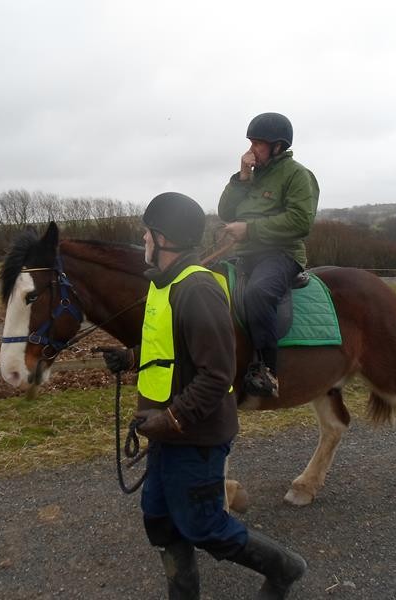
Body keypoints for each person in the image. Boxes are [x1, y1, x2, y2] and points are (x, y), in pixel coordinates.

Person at [100, 192, 307, 599]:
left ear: (163, 239)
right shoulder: (166, 285)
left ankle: (286, 569)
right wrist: (130, 357)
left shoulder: (197, 290)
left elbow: (217, 374)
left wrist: (172, 418)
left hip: (195, 437)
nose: (142, 238)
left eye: (147, 232)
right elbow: (174, 347)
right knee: (158, 518)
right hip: (167, 432)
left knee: (206, 527)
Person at [218, 112, 319, 398]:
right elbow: (226, 211)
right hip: (246, 254)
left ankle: (268, 371)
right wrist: (242, 178)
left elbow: (301, 222)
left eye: (258, 144)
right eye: (250, 143)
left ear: (278, 146)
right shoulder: (251, 175)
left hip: (281, 254)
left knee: (259, 293)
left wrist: (249, 230)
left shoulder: (298, 175)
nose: (251, 150)